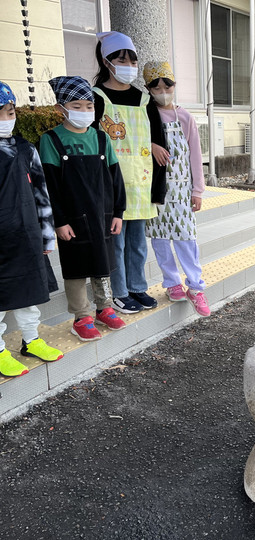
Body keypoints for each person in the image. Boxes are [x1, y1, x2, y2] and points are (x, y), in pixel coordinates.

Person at [40, 76, 127, 342]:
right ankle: (81, 316)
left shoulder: (101, 138)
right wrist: (59, 221)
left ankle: (105, 308)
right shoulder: (51, 140)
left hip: (102, 213)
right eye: (76, 106)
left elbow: (115, 177)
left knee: (103, 262)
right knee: (76, 267)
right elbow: (49, 185)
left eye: (89, 106)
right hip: (72, 216)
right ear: (61, 108)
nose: (84, 111)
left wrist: (118, 212)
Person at [92, 31, 166, 314]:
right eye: (122, 60)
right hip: (113, 184)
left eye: (132, 61)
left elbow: (158, 140)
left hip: (141, 182)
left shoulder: (144, 99)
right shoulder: (97, 98)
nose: (129, 66)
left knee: (137, 243)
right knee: (117, 243)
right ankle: (120, 293)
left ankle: (137, 287)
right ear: (106, 61)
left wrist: (158, 186)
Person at [0, 81, 64, 376]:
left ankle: (31, 339)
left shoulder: (26, 148)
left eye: (9, 112)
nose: (6, 119)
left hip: (26, 234)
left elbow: (41, 192)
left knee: (29, 291)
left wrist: (47, 234)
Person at [142, 61, 210, 317]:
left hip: (182, 188)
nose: (163, 92)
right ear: (148, 89)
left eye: (167, 86)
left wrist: (197, 190)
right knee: (160, 239)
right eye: (156, 88)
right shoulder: (145, 115)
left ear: (174, 86)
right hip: (156, 189)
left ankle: (196, 286)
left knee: (186, 238)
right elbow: (133, 142)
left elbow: (195, 156)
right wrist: (150, 146)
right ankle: (172, 282)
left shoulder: (185, 117)